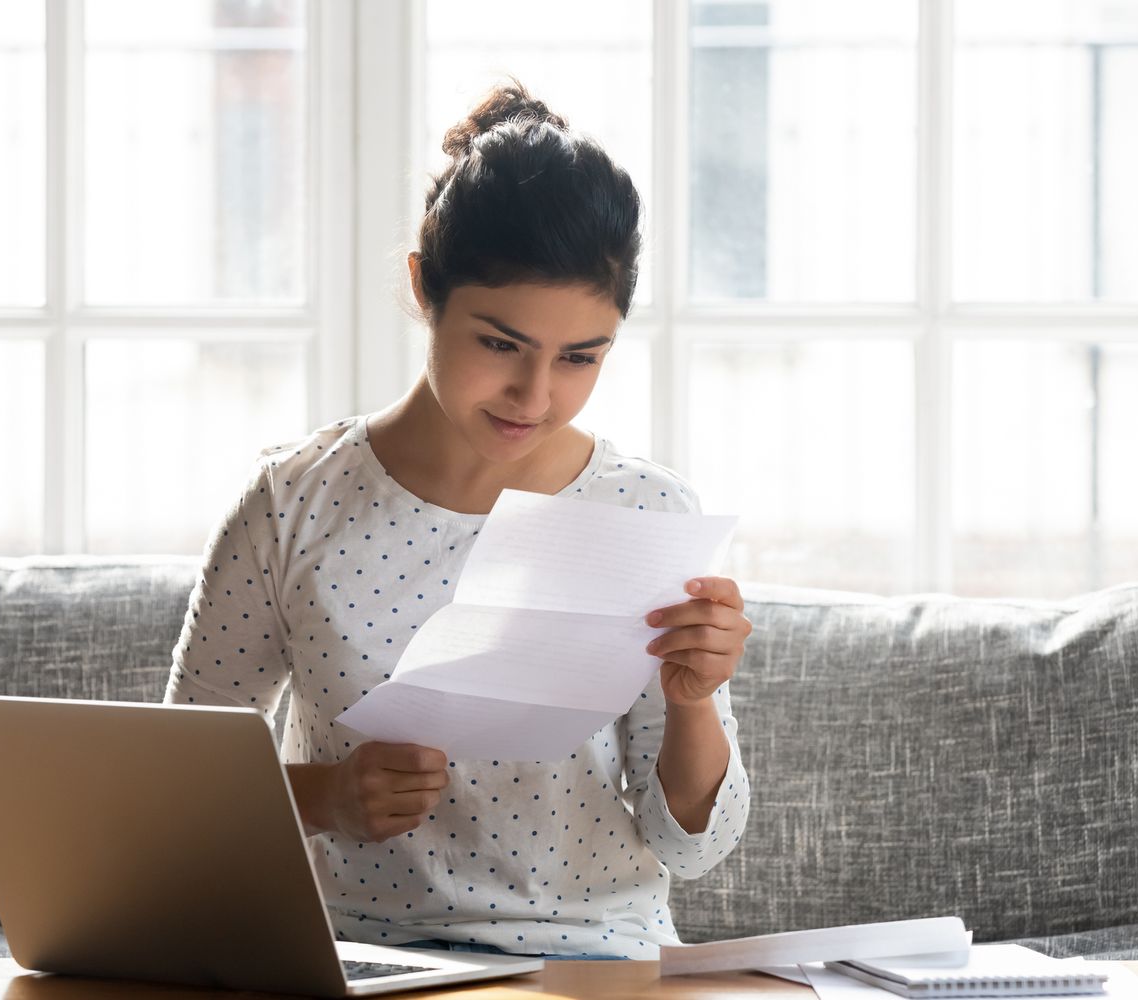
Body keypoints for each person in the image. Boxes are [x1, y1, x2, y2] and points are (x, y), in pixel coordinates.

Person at [163, 79, 752, 959]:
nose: (535, 395)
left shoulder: (646, 510)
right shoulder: (292, 502)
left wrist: (695, 703)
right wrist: (324, 799)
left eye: (580, 357)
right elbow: (173, 792)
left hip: (591, 962)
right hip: (360, 959)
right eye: (500, 344)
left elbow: (693, 848)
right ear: (422, 289)